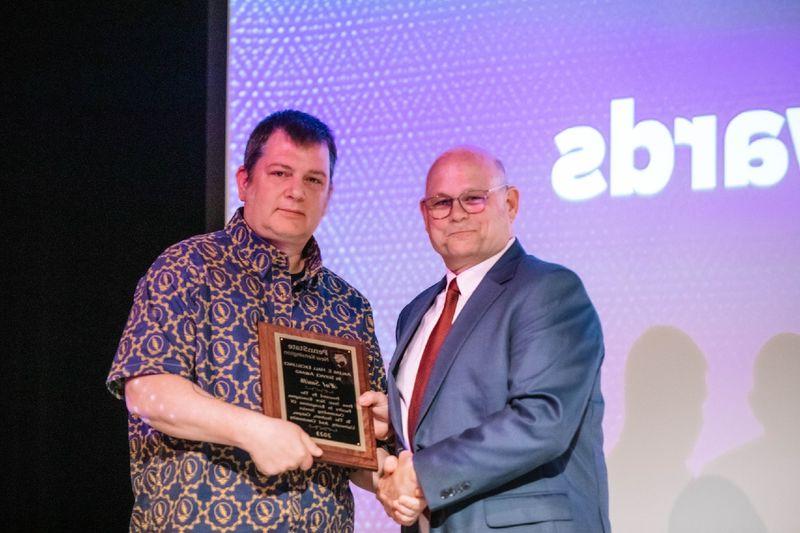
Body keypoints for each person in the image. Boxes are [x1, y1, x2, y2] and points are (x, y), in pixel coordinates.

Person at [107, 109, 389, 531]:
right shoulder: (187, 268)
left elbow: (352, 454)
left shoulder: (348, 305)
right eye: (280, 173)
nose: (297, 191)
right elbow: (147, 392)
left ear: (329, 195)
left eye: (314, 179)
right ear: (244, 182)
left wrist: (387, 466)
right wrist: (252, 431)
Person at [377, 146, 609, 532]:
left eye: (474, 198)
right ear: (424, 214)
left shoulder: (548, 289)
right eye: (441, 202)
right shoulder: (416, 313)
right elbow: (436, 422)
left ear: (511, 203)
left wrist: (420, 475)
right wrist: (389, 425)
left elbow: (542, 418)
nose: (457, 213)